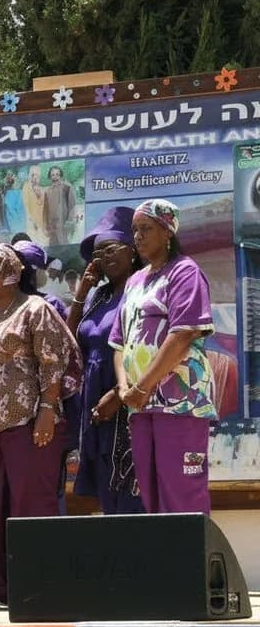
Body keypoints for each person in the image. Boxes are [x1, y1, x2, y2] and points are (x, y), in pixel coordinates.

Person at [0, 244, 79, 601]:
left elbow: (54, 362)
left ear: (12, 272)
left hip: (29, 421)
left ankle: (40, 584)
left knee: (31, 505)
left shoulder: (36, 309)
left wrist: (48, 409)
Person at [110, 199, 217, 514]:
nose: (138, 237)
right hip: (140, 407)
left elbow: (183, 333)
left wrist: (142, 387)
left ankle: (191, 564)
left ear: (167, 231)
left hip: (180, 403)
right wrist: (123, 388)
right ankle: (165, 564)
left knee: (183, 493)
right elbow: (119, 342)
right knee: (151, 495)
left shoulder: (185, 271)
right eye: (135, 231)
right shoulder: (134, 281)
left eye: (146, 229)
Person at [69, 207, 145, 515]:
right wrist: (82, 290)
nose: (104, 258)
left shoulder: (143, 288)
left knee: (132, 489)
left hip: (127, 398)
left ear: (133, 250)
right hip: (94, 404)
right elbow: (70, 341)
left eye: (111, 249)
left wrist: (118, 395)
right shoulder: (97, 297)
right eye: (98, 254)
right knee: (106, 491)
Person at [42, 165, 78, 246]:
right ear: (50, 177)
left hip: (64, 227)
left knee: (65, 248)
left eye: (57, 174)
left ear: (60, 175)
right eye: (53, 175)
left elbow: (72, 206)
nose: (55, 177)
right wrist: (45, 227)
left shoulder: (67, 188)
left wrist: (69, 224)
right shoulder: (47, 192)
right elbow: (45, 211)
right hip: (52, 228)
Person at [22, 165, 45, 242]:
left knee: (41, 240)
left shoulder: (41, 189)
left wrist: (39, 196)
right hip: (30, 221)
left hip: (41, 222)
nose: (35, 177)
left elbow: (42, 204)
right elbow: (25, 205)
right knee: (32, 239)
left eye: (37, 175)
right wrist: (31, 220)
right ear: (29, 176)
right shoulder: (26, 187)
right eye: (33, 175)